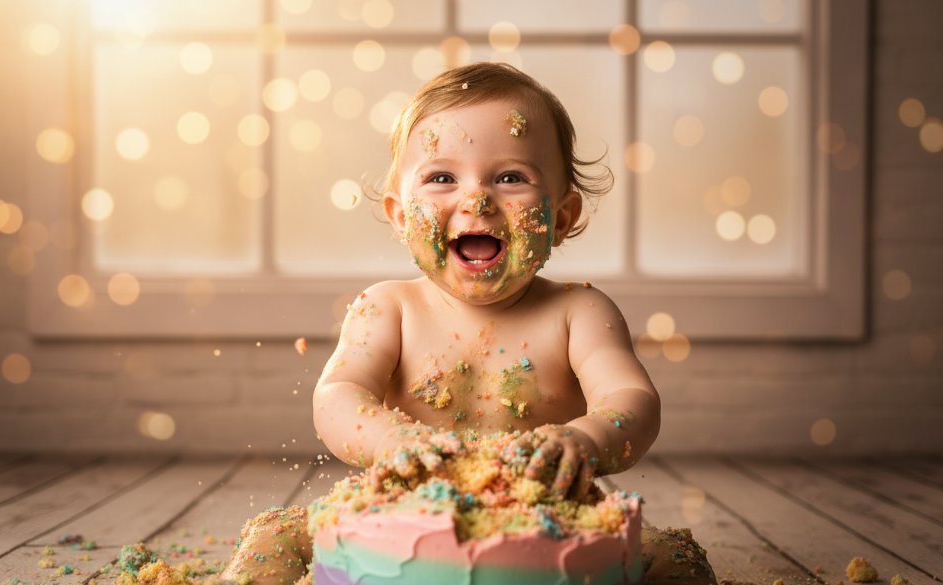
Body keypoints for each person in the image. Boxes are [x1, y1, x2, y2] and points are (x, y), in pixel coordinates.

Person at [220, 62, 715, 585]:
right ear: (400, 215)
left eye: (510, 178)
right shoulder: (387, 308)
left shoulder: (579, 313)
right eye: (441, 178)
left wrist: (586, 441)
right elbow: (338, 394)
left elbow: (634, 401)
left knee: (673, 556)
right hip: (400, 515)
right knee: (277, 533)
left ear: (562, 216)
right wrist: (389, 440)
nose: (476, 200)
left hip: (547, 519)